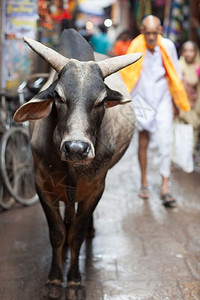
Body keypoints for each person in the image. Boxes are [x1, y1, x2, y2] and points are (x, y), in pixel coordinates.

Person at [120, 15, 190, 207]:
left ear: (160, 31)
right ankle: (144, 182)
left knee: (165, 141)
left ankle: (165, 187)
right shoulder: (135, 47)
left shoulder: (167, 47)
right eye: (147, 33)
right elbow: (127, 75)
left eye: (154, 33)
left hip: (163, 99)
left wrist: (177, 102)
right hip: (141, 100)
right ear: (142, 32)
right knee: (143, 140)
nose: (151, 37)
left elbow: (174, 73)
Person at [176, 41, 200, 152]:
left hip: (196, 105)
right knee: (180, 132)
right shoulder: (178, 66)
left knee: (195, 129)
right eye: (186, 51)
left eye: (191, 51)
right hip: (182, 106)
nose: (188, 54)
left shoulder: (198, 66)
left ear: (195, 52)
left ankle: (191, 154)